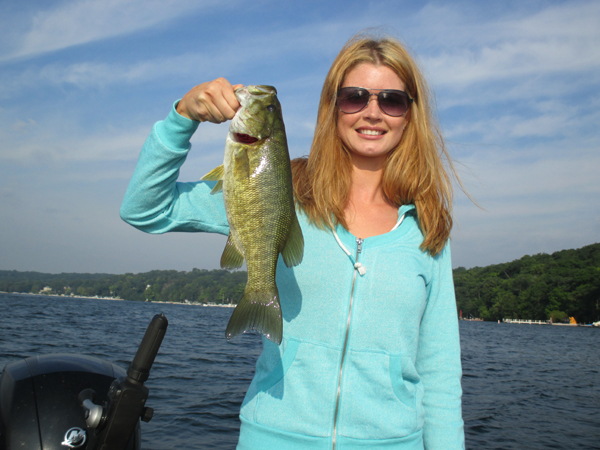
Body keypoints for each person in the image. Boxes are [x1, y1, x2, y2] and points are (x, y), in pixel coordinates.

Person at [120, 34, 465, 450]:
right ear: (332, 106)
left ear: (410, 113)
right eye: (355, 97)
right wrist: (182, 118)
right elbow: (144, 208)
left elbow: (440, 372)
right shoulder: (281, 187)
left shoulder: (426, 225)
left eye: (392, 100)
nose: (372, 112)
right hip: (274, 438)